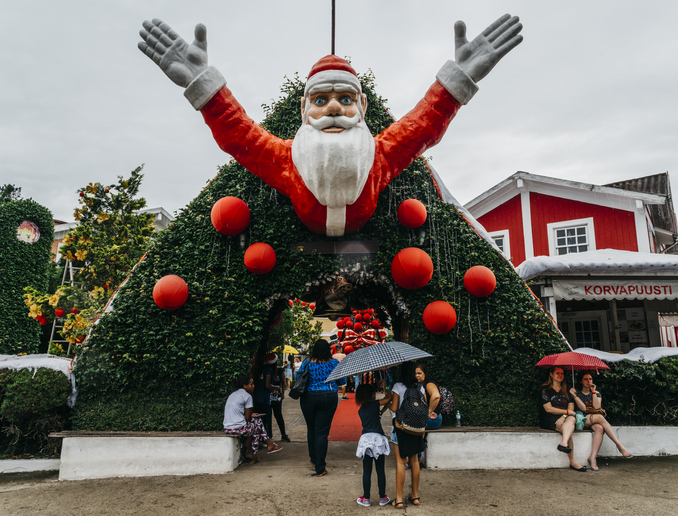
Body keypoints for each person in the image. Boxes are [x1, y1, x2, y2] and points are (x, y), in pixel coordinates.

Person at [138, 16, 523, 237]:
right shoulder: (287, 160)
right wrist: (203, 84)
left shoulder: (379, 157)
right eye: (321, 100)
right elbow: (240, 137)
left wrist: (458, 80)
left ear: (362, 106)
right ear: (304, 109)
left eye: (345, 99)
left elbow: (422, 126)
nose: (335, 107)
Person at [570, 373, 632, 470]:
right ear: (581, 381)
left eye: (590, 379)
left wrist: (593, 392)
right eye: (585, 379)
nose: (588, 381)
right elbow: (583, 408)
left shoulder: (597, 393)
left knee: (600, 428)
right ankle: (619, 445)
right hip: (581, 420)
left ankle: (592, 458)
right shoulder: (576, 393)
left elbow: (596, 407)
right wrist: (575, 396)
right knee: (599, 417)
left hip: (593, 419)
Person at [299, 339, 344, 476]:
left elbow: (299, 377)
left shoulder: (307, 362)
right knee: (322, 432)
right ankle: (320, 467)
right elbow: (342, 381)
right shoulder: (334, 363)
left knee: (311, 428)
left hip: (308, 396)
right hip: (328, 396)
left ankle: (313, 459)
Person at [388, 362, 426, 508]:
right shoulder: (420, 387)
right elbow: (424, 408)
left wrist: (388, 398)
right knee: (414, 460)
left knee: (400, 462)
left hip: (401, 427)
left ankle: (399, 500)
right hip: (416, 428)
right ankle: (415, 496)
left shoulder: (398, 386)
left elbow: (394, 408)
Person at [223, 374, 282, 464]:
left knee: (256, 425)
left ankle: (263, 449)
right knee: (258, 424)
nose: (253, 386)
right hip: (239, 428)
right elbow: (247, 418)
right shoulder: (247, 396)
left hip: (228, 428)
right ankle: (265, 447)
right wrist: (252, 416)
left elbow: (238, 413)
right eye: (251, 384)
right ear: (244, 386)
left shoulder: (233, 394)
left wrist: (251, 415)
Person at [539, 366, 586, 472]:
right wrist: (567, 413)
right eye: (557, 373)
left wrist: (563, 416)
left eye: (562, 373)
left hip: (565, 417)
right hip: (549, 418)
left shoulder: (568, 389)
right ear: (551, 374)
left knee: (571, 420)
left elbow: (571, 408)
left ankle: (563, 443)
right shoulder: (545, 390)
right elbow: (548, 409)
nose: (560, 375)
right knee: (568, 430)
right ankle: (572, 461)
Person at [355, 380, 393, 508]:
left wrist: (384, 409)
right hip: (378, 440)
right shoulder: (376, 404)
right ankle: (383, 498)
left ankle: (366, 498)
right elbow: (389, 397)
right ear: (372, 395)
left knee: (367, 471)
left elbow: (376, 416)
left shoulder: (361, 410)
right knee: (380, 470)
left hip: (366, 440)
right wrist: (385, 386)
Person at [253, 352, 281, 439]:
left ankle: (260, 437)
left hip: (258, 396)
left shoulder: (261, 369)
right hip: (264, 398)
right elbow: (267, 385)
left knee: (259, 418)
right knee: (267, 418)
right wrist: (276, 387)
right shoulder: (269, 370)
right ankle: (267, 438)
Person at [414, 362, 442, 431]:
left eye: (419, 373)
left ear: (425, 373)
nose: (417, 375)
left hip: (432, 419)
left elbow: (436, 396)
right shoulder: (417, 385)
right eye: (415, 374)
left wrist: (428, 412)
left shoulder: (429, 384)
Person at [270, 361, 291, 442]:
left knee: (278, 415)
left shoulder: (280, 370)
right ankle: (269, 435)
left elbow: (283, 382)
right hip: (269, 396)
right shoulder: (267, 371)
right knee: (268, 416)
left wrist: (283, 394)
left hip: (277, 396)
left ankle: (283, 434)